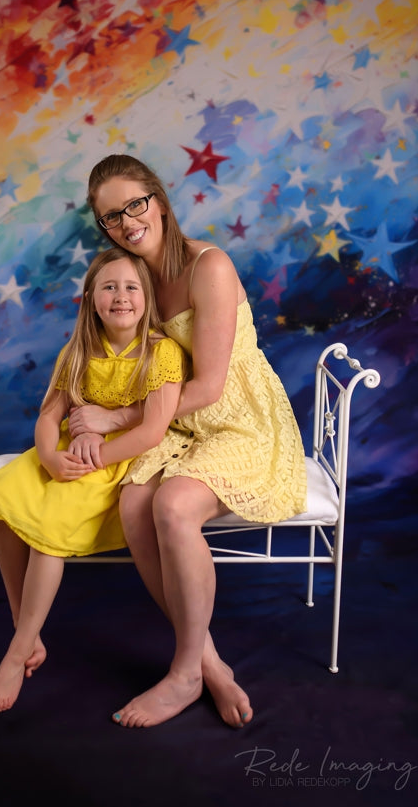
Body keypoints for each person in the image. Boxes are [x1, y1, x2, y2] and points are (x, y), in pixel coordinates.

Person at [68, 154, 308, 728]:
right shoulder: (133, 277)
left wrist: (117, 418)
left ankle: (180, 675)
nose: (127, 222)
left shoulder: (209, 265)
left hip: (238, 416)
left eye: (135, 204)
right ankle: (210, 663)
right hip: (176, 420)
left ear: (159, 198)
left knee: (173, 506)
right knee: (133, 504)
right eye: (110, 217)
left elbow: (210, 384)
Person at [0, 247, 185, 712]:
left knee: (49, 529)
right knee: (1, 502)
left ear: (147, 298)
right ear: (90, 298)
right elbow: (50, 416)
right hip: (67, 451)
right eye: (109, 287)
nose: (121, 297)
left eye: (131, 287)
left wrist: (98, 456)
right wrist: (49, 457)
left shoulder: (161, 352)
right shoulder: (79, 350)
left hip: (119, 462)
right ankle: (25, 631)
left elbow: (151, 431)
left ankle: (15, 654)